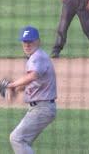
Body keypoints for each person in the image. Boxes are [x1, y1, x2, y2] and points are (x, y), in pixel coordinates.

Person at [7, 25, 57, 154]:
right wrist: (17, 88)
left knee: (17, 139)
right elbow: (34, 80)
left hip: (42, 108)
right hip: (40, 108)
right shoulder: (34, 58)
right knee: (22, 141)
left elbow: (32, 76)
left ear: (38, 41)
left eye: (30, 41)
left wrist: (12, 85)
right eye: (25, 41)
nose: (27, 44)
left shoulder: (37, 57)